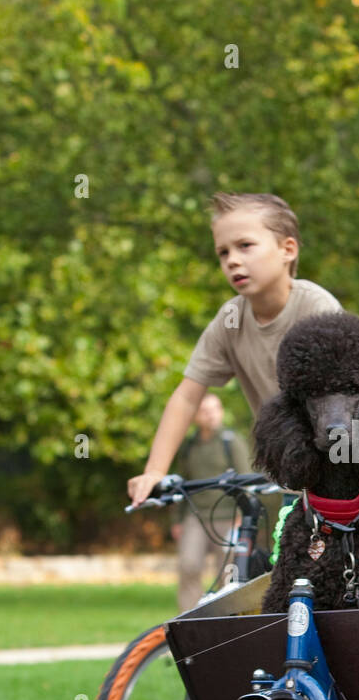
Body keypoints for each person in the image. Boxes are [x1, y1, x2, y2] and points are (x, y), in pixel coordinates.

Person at [127, 192, 341, 511]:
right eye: (222, 252)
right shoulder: (230, 319)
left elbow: (342, 398)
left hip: (339, 479)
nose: (232, 260)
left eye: (245, 246)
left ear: (287, 249)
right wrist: (155, 471)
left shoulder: (316, 309)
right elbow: (188, 396)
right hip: (289, 479)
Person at [172, 393, 250, 612]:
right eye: (205, 411)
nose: (211, 415)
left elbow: (246, 480)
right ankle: (189, 617)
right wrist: (177, 520)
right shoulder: (189, 446)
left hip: (228, 516)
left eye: (216, 409)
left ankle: (227, 619)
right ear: (196, 415)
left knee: (227, 572)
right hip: (196, 516)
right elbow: (183, 485)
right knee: (188, 565)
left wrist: (242, 516)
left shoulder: (231, 441)